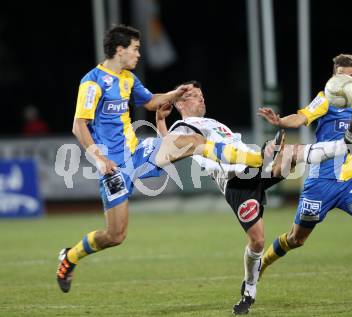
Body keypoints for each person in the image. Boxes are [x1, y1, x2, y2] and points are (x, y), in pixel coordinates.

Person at [56, 25, 266, 293]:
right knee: (115, 235)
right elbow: (79, 126)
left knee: (193, 143)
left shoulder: (128, 79)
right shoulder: (93, 82)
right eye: (135, 48)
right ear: (120, 50)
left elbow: (152, 101)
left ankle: (255, 157)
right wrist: (98, 158)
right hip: (113, 167)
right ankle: (69, 257)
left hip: (137, 153)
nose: (139, 54)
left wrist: (175, 94)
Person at [155, 80, 352, 314]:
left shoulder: (210, 123)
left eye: (202, 94)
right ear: (180, 102)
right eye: (193, 95)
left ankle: (344, 146)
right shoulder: (184, 125)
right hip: (237, 183)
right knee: (258, 241)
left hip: (254, 168)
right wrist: (161, 120)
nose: (201, 98)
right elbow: (170, 146)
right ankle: (249, 290)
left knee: (290, 154)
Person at [258, 54, 352, 297]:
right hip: (320, 183)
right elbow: (302, 117)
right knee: (296, 239)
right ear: (333, 77)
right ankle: (260, 264)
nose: (347, 81)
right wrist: (281, 120)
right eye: (341, 76)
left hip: (351, 181)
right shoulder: (325, 99)